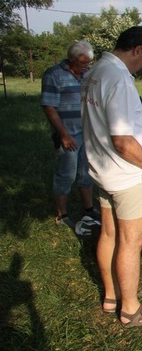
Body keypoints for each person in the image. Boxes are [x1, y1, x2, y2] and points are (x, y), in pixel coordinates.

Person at [81, 26, 142, 327]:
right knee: (131, 243)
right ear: (136, 50)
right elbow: (122, 140)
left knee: (109, 234)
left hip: (103, 171)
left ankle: (111, 297)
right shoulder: (119, 79)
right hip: (128, 175)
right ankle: (131, 310)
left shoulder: (95, 72)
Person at [40, 40, 97, 228]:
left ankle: (89, 209)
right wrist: (63, 135)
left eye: (88, 62)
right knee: (66, 174)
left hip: (87, 133)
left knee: (86, 173)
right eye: (83, 62)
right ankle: (62, 215)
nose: (86, 66)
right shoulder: (54, 75)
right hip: (68, 135)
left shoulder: (88, 74)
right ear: (72, 59)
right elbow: (49, 107)